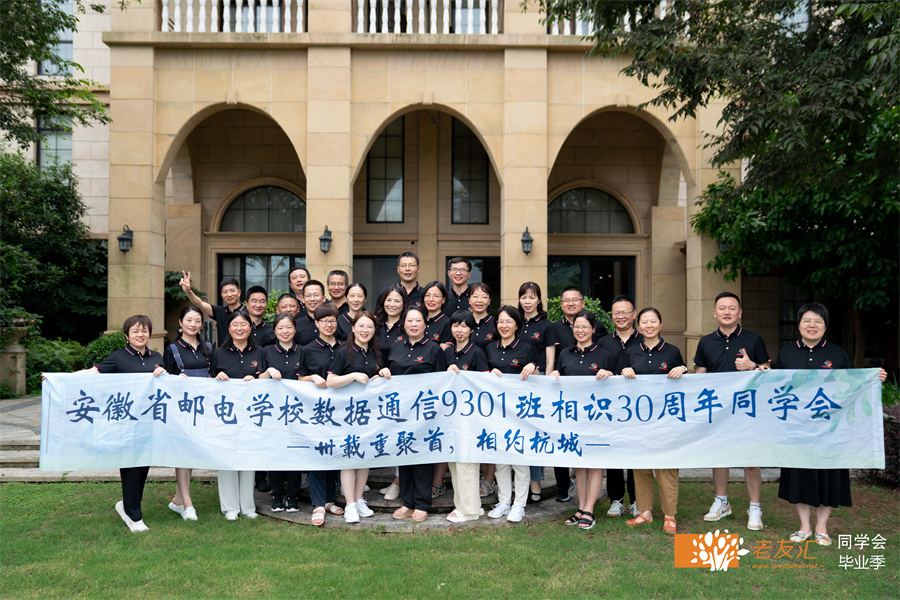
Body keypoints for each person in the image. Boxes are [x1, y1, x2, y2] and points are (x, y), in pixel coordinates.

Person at [777, 303, 887, 546]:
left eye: (818, 321)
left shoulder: (837, 354)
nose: (812, 325)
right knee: (800, 475)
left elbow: (852, 385)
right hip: (797, 429)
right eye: (807, 320)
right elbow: (776, 387)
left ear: (825, 326)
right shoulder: (786, 353)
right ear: (799, 325)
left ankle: (821, 528)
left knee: (828, 475)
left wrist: (873, 378)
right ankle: (804, 527)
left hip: (831, 431)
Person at [76, 315, 166, 532]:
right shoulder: (118, 357)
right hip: (126, 423)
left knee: (143, 467)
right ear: (127, 335)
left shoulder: (157, 357)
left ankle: (127, 505)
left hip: (149, 423)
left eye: (144, 330)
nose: (140, 335)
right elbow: (93, 372)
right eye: (135, 331)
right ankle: (134, 517)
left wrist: (163, 373)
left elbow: (167, 383)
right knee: (130, 467)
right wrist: (57, 378)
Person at [696, 292, 772, 531]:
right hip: (718, 410)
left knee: (750, 459)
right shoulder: (705, 342)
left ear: (740, 313)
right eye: (722, 308)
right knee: (720, 457)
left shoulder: (754, 339)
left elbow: (768, 371)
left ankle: (755, 507)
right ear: (714, 313)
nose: (726, 312)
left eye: (731, 308)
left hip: (747, 409)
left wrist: (753, 366)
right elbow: (700, 375)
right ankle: (722, 502)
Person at [622, 307, 687, 534]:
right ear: (638, 327)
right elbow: (620, 379)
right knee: (641, 465)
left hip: (666, 419)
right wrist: (624, 370)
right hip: (638, 419)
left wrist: (683, 368)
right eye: (644, 322)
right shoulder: (631, 351)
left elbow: (685, 382)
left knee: (666, 466)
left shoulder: (672, 351)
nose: (649, 325)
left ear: (660, 324)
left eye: (653, 321)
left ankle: (670, 515)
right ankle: (645, 511)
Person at [378, 306, 446, 522]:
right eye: (410, 321)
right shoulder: (396, 347)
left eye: (418, 321)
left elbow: (442, 382)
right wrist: (384, 371)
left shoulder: (434, 349)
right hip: (400, 412)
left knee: (422, 458)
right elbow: (388, 374)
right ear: (404, 324)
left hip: (425, 413)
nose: (414, 324)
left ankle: (422, 503)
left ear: (425, 324)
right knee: (404, 454)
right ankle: (407, 502)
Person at [550, 311, 614, 530]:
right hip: (572, 417)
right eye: (576, 326)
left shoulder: (604, 355)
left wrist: (609, 374)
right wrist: (555, 375)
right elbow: (558, 375)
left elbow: (617, 384)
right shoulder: (565, 353)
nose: (580, 330)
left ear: (593, 329)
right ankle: (580, 508)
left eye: (585, 326)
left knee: (594, 464)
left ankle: (590, 509)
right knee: (579, 464)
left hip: (596, 417)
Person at [209, 311, 266, 520]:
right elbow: (209, 382)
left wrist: (257, 379)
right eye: (235, 324)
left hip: (252, 414)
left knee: (248, 457)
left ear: (250, 327)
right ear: (229, 328)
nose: (239, 328)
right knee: (226, 458)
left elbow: (265, 379)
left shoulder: (260, 352)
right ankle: (230, 507)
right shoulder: (219, 353)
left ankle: (248, 507)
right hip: (225, 415)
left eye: (244, 324)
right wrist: (217, 377)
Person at [327, 311, 382, 524]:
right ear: (353, 328)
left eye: (369, 326)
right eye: (361, 326)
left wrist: (381, 375)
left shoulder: (375, 353)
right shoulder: (343, 352)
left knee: (364, 457)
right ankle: (349, 504)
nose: (365, 330)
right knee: (349, 458)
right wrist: (352, 376)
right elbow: (331, 381)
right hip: (347, 414)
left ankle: (359, 499)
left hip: (369, 414)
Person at [485, 306, 538, 523]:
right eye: (500, 321)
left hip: (520, 412)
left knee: (519, 460)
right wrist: (489, 373)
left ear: (517, 324)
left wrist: (533, 367)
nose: (504, 326)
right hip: (496, 411)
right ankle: (504, 501)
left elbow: (538, 376)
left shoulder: (527, 347)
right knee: (501, 461)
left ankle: (519, 504)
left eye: (508, 321)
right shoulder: (490, 348)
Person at [546, 286, 598, 502]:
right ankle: (564, 486)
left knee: (589, 455)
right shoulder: (555, 329)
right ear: (560, 304)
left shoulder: (597, 334)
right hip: (565, 400)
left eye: (575, 299)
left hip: (591, 404)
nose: (570, 303)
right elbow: (553, 361)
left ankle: (589, 503)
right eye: (566, 300)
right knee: (563, 443)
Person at [163, 306, 212, 522]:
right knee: (182, 454)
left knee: (191, 453)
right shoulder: (172, 349)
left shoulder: (208, 348)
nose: (193, 324)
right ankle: (187, 503)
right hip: (181, 409)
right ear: (180, 322)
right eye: (189, 320)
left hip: (203, 408)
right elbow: (166, 381)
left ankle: (177, 500)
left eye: (197, 321)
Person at [296, 304, 344, 521]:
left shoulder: (345, 347)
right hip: (317, 410)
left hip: (341, 410)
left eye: (332, 320)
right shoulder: (308, 349)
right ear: (316, 323)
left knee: (334, 453)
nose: (329, 324)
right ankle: (318, 503)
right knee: (318, 454)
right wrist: (313, 377)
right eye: (324, 321)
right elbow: (299, 378)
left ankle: (329, 500)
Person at [596, 295, 642, 518]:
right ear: (611, 316)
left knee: (635, 453)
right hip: (610, 408)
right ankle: (615, 499)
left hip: (638, 409)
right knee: (612, 451)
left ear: (634, 314)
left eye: (625, 312)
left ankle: (636, 499)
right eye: (616, 313)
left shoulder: (644, 340)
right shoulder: (603, 342)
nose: (621, 316)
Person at [444, 310, 489, 523]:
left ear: (471, 330)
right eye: (455, 326)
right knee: (455, 462)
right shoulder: (447, 353)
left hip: (471, 417)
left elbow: (484, 385)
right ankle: (468, 506)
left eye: (464, 326)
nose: (459, 330)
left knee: (467, 463)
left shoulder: (477, 353)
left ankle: (468, 510)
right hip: (451, 416)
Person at [259, 313, 305, 513]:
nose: (285, 331)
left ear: (294, 329)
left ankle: (292, 497)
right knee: (275, 453)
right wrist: (268, 371)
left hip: (297, 412)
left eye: (288, 327)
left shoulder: (303, 351)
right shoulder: (267, 351)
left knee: (295, 454)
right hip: (273, 413)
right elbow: (259, 380)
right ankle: (277, 496)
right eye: (280, 328)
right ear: (274, 331)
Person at [518, 281, 553, 501]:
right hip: (514, 385)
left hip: (536, 385)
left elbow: (549, 360)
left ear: (539, 300)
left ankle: (535, 480)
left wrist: (545, 386)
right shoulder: (515, 321)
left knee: (534, 433)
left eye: (532, 297)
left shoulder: (547, 325)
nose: (528, 301)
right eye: (524, 297)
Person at [179, 271, 247, 346]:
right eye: (225, 292)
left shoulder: (248, 312)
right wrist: (188, 291)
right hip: (224, 352)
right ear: (221, 295)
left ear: (239, 292)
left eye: (232, 291)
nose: (229, 294)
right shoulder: (220, 311)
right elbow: (200, 304)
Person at [374, 284, 409, 366]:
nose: (392, 304)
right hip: (375, 372)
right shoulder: (374, 325)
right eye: (388, 300)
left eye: (397, 301)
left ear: (404, 303)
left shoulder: (408, 327)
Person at [422, 280, 452, 348]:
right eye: (427, 295)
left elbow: (442, 351)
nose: (430, 299)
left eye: (436, 296)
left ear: (443, 299)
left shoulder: (447, 323)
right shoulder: (419, 319)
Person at [296, 280, 326, 346]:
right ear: (303, 299)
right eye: (308, 295)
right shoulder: (296, 325)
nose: (312, 299)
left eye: (316, 295)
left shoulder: (332, 323)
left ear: (324, 298)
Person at [468, 282, 496, 350]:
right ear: (469, 300)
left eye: (484, 297)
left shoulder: (496, 324)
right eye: (475, 296)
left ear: (489, 301)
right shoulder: (464, 322)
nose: (479, 300)